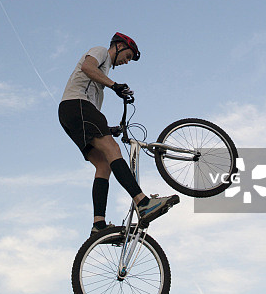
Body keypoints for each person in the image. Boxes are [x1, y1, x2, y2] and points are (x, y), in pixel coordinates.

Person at [58, 32, 178, 236]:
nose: (127, 62)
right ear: (120, 45)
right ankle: (143, 202)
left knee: (104, 164)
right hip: (76, 105)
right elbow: (87, 67)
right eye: (128, 56)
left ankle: (99, 224)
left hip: (72, 113)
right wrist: (114, 85)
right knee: (112, 149)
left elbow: (90, 118)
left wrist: (110, 129)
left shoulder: (100, 82)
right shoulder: (101, 51)